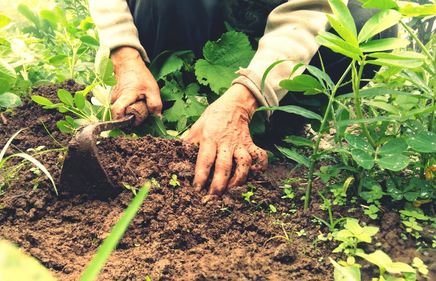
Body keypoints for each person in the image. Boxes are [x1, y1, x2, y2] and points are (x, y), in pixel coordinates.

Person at [88, 0, 394, 196]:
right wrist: (125, 54)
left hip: (268, 13)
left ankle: (278, 119)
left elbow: (312, 7)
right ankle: (170, 94)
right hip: (193, 17)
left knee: (369, 19)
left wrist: (246, 97)